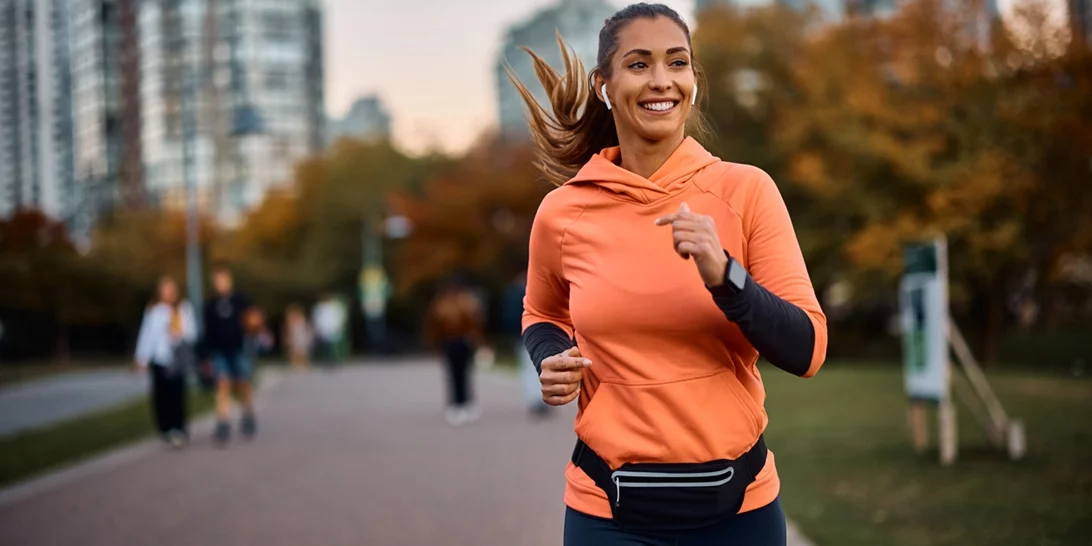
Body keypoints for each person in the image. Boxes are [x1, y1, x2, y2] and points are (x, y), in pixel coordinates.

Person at [510, 4, 828, 544]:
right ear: (605, 85)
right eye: (639, 64)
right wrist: (550, 356)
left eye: (677, 63)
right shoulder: (563, 212)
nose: (661, 80)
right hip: (607, 511)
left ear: (693, 81)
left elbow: (808, 350)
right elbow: (541, 312)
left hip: (739, 511)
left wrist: (725, 276)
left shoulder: (747, 191)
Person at [134, 276, 198, 449]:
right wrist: (142, 357)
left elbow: (192, 333)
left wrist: (179, 333)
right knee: (161, 396)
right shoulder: (154, 310)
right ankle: (166, 428)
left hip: (178, 359)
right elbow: (147, 335)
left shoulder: (183, 308)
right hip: (160, 358)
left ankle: (179, 428)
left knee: (178, 395)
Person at [202, 264, 258, 446]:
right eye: (218, 280)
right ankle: (223, 422)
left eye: (223, 279)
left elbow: (253, 320)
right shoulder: (210, 304)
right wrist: (206, 355)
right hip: (219, 351)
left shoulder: (241, 300)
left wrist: (255, 325)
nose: (221, 283)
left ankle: (248, 414)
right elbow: (207, 331)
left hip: (239, 348)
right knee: (222, 384)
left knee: (243, 383)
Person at [424, 276, 485, 426]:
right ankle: (456, 403)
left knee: (464, 373)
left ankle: (466, 401)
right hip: (450, 342)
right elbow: (435, 326)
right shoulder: (444, 304)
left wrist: (477, 341)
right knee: (454, 374)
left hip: (462, 341)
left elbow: (475, 323)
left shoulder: (464, 303)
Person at [502, 270, 552, 418]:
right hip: (537, 333)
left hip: (523, 334)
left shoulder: (513, 294)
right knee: (537, 367)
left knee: (529, 368)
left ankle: (534, 398)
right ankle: (540, 398)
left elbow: (509, 317)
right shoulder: (533, 293)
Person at [283, 304, 313, 369]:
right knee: (295, 356)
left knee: (302, 355)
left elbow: (307, 332)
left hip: (301, 340)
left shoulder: (302, 321)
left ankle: (302, 367)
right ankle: (295, 367)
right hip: (294, 341)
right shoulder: (290, 323)